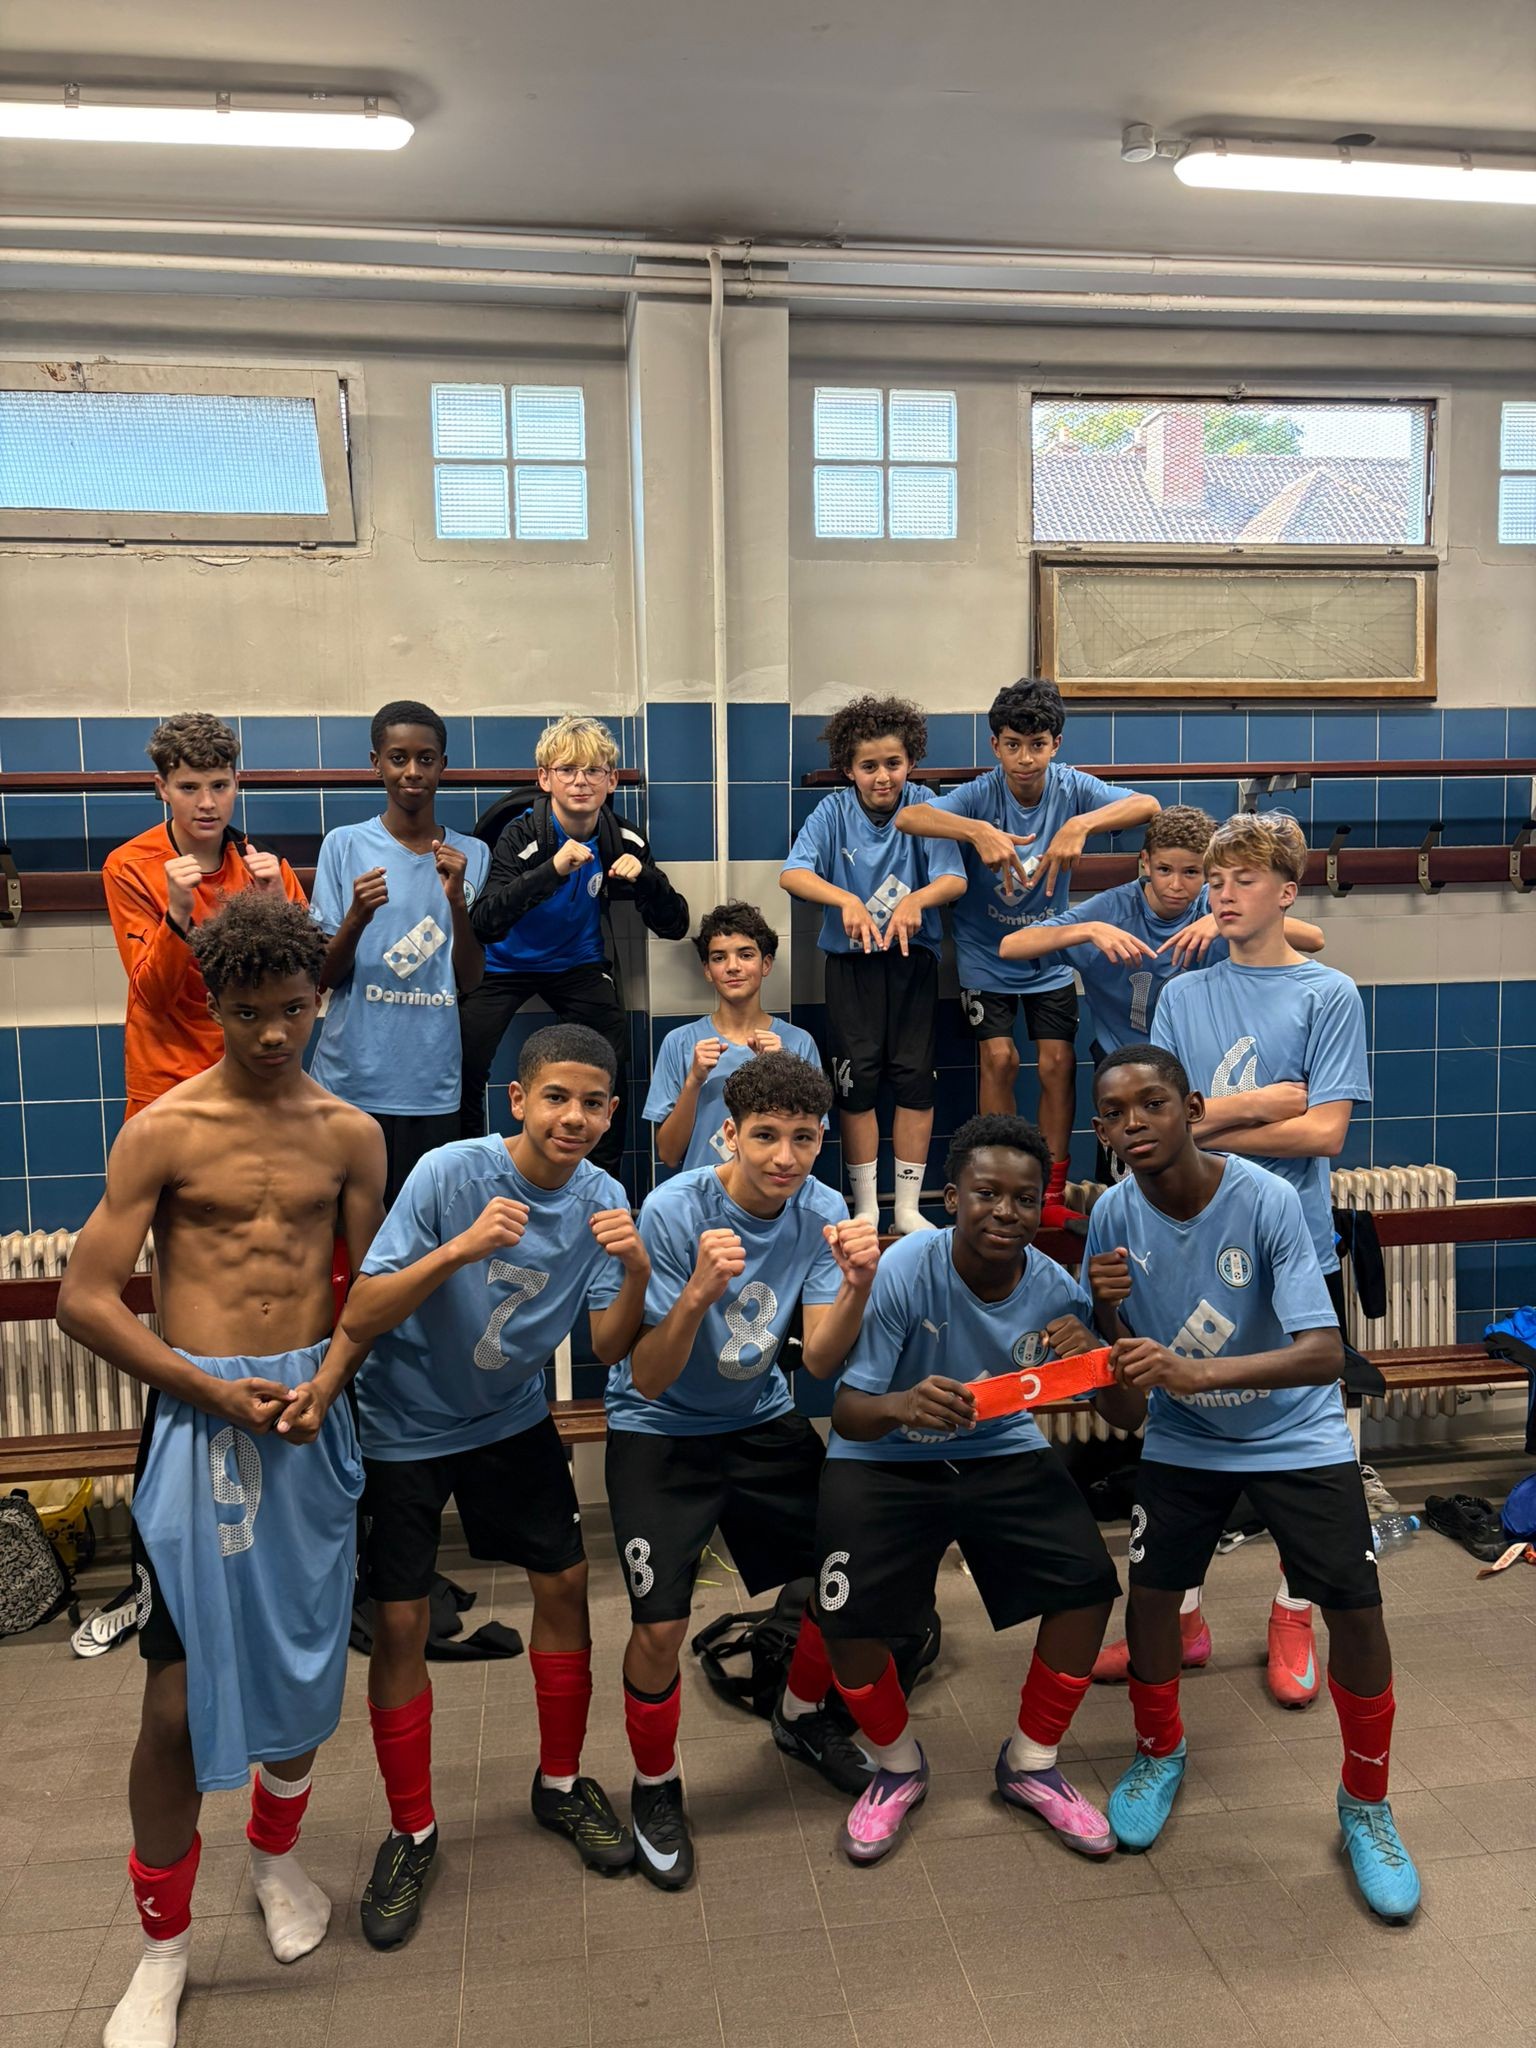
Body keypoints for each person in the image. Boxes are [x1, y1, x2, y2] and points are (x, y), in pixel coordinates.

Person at [55, 895, 386, 2048]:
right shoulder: (165, 1129)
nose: (274, 1032)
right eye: (248, 1013)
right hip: (199, 1424)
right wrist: (203, 1386)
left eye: (292, 1008)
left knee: (303, 1672)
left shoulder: (351, 1133)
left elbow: (369, 1289)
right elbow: (83, 1298)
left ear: (318, 999)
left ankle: (276, 1857)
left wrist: (332, 1377)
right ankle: (161, 1949)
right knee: (173, 1703)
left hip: (309, 1416)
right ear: (213, 1007)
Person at [1084, 1046, 1418, 1920]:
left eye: (1152, 1103)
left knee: (1356, 1611)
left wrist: (1193, 1374)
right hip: (1185, 1439)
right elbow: (1124, 1408)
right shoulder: (1110, 1216)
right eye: (1115, 1114)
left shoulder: (1265, 1199)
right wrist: (1107, 1312)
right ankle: (1159, 1751)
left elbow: (1323, 1353)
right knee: (1151, 1599)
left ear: (1192, 1108)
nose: (1134, 1124)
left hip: (1295, 1435)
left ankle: (1366, 1805)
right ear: (1101, 1132)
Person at [339, 1023, 652, 1944]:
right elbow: (361, 1308)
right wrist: (459, 1250)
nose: (573, 1117)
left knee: (565, 1584)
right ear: (518, 1100)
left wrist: (636, 1269)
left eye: (592, 1103)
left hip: (509, 1417)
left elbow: (609, 1346)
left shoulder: (603, 1196)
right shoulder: (450, 1173)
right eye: (555, 1097)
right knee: (402, 1621)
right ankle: (411, 1830)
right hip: (403, 1423)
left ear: (611, 1113)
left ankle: (560, 1784)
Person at [1094, 812, 1371, 1707]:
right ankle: (1182, 1618)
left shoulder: (1329, 994)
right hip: (1191, 1240)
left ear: (1286, 893)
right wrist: (1262, 1103)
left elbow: (1325, 1133)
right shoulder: (1184, 995)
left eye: (1242, 880)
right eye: (1214, 882)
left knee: (1304, 1436)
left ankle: (1293, 1615)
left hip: (1294, 1240)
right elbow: (1165, 1119)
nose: (1221, 895)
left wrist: (1213, 1122)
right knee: (1185, 1418)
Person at [814, 1114, 1123, 1865]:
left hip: (999, 1449)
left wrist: (1102, 1343)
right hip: (885, 1455)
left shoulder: (1054, 1289)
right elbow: (848, 1412)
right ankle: (897, 1767)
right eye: (987, 1194)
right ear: (953, 1198)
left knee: (1088, 1587)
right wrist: (902, 1404)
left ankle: (1032, 1764)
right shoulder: (905, 1268)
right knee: (843, 1620)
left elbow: (1125, 1414)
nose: (1006, 1212)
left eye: (1024, 1199)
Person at [604, 1051, 881, 1889]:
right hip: (660, 1427)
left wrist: (857, 1284)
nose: (784, 1157)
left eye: (803, 1138)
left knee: (840, 1577)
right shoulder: (674, 1209)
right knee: (659, 1627)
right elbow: (647, 1376)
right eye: (765, 1136)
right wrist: (695, 1293)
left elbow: (822, 1363)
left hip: (759, 1418)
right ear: (730, 1133)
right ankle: (655, 1785)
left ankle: (799, 1714)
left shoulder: (823, 1208)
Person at [896, 678, 1158, 1227]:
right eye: (1012, 745)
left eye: (1037, 745)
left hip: (1047, 952)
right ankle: (1002, 1182)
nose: (1024, 758)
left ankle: (1052, 1195)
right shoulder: (981, 794)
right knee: (1000, 1059)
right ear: (995, 745)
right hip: (984, 952)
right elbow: (909, 817)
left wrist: (1082, 823)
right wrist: (976, 832)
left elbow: (1147, 804)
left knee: (1058, 1064)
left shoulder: (1071, 788)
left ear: (1055, 744)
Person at [999, 806, 1324, 1182]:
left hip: (1197, 1072)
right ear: (1145, 862)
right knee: (1133, 1189)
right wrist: (1087, 930)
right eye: (1165, 870)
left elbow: (1314, 938)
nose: (1176, 885)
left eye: (1192, 873)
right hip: (1128, 1072)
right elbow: (1011, 946)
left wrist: (1215, 920)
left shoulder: (1216, 903)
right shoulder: (1114, 908)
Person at [460, 714, 690, 1174]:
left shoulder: (622, 839)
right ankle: (464, 1174)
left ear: (611, 780)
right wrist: (551, 871)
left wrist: (646, 879)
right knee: (462, 1062)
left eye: (593, 771)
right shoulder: (522, 835)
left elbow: (675, 925)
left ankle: (601, 1186)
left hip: (576, 962)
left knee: (609, 1062)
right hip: (504, 965)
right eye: (566, 770)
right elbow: (483, 922)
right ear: (545, 778)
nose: (580, 781)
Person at [780, 694, 967, 1233]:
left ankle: (906, 1209)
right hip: (851, 968)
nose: (882, 776)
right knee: (855, 1085)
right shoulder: (833, 812)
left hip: (913, 964)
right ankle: (866, 1206)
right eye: (869, 766)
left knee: (915, 1083)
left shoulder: (926, 807)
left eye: (893, 763)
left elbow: (954, 879)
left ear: (911, 762)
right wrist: (844, 899)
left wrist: (919, 900)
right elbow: (793, 873)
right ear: (849, 769)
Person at [309, 699, 489, 1204]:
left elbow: (471, 979)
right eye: (398, 758)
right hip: (349, 1080)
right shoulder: (343, 845)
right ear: (376, 763)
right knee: (344, 1226)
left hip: (431, 1083)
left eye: (425, 759)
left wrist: (456, 903)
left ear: (442, 765)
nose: (412, 771)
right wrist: (356, 918)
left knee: (422, 1227)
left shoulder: (473, 855)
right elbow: (323, 976)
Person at [103, 712, 307, 1118]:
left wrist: (279, 908)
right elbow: (154, 997)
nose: (207, 804)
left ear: (237, 783)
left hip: (253, 1073)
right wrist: (177, 913)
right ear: (162, 788)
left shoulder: (266, 866)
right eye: (189, 788)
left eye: (219, 785)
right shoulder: (129, 867)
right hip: (167, 1078)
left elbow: (308, 986)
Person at [645, 900, 822, 1172]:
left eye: (746, 955)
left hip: (774, 1192)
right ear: (707, 970)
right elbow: (668, 1154)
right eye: (719, 958)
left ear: (766, 964)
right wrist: (693, 1082)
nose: (732, 967)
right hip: (702, 1194)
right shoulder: (679, 1043)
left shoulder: (799, 1043)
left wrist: (781, 1071)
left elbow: (807, 1145)